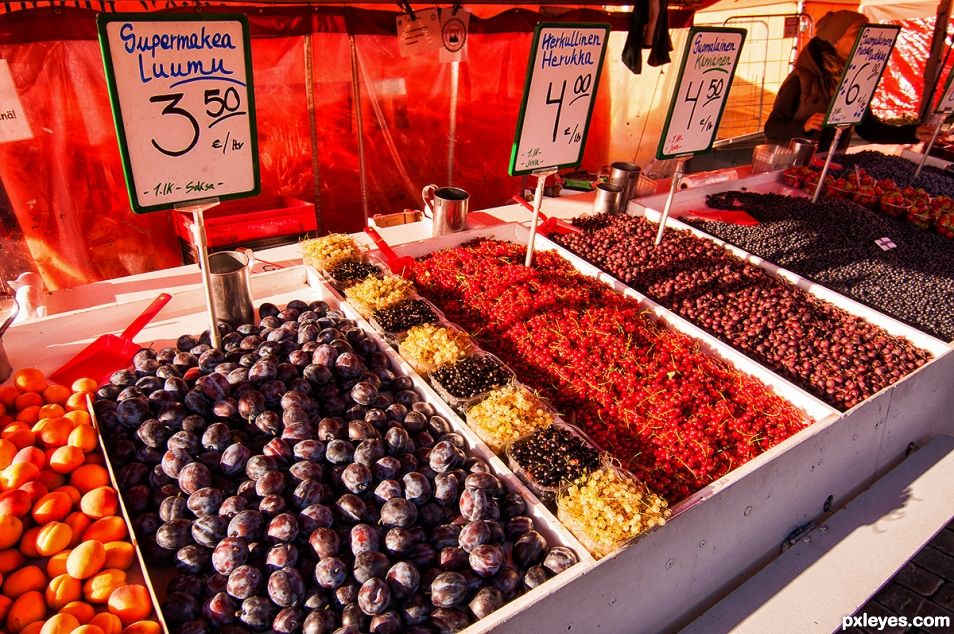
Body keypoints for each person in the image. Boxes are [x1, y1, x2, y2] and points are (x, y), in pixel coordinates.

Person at [765, 10, 931, 151]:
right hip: (789, 167)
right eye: (859, 31)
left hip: (829, 165)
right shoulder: (800, 78)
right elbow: (772, 129)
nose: (867, 37)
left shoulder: (857, 78)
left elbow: (868, 129)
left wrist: (912, 133)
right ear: (835, 40)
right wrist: (804, 126)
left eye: (868, 30)